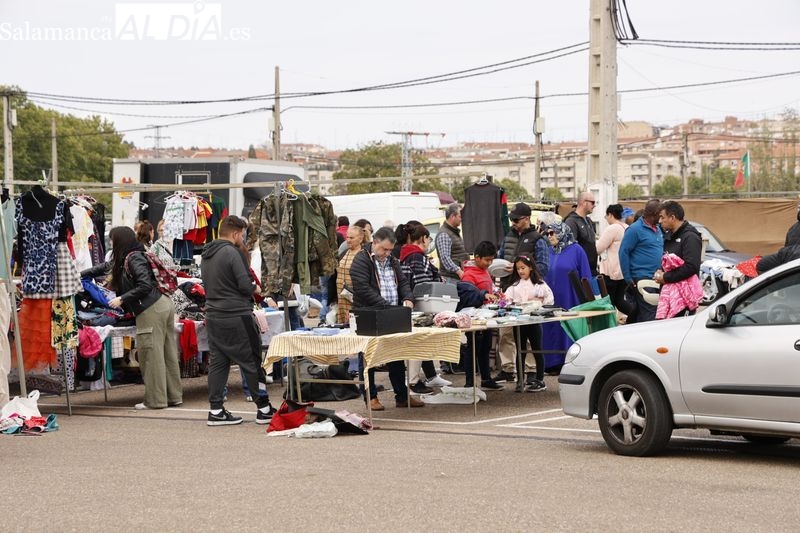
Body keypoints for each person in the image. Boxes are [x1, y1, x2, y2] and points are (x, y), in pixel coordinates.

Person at [88, 226, 182, 410]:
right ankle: (173, 396)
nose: (111, 244)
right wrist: (79, 275)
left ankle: (155, 401)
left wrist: (122, 299)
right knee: (167, 353)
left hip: (151, 308)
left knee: (150, 355)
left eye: (113, 240)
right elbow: (104, 267)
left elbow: (144, 285)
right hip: (161, 304)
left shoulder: (132, 258)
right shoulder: (131, 256)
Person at [201, 215, 276, 426]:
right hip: (237, 315)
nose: (242, 238)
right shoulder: (231, 252)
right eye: (242, 235)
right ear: (235, 233)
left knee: (218, 363)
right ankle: (264, 408)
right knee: (251, 362)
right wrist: (256, 288)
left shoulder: (207, 254)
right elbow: (244, 285)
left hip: (213, 315)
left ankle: (216, 410)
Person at [349, 226, 424, 410]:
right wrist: (385, 305)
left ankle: (402, 395)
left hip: (391, 313)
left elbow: (403, 282)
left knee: (396, 355)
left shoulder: (392, 260)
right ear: (374, 242)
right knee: (368, 357)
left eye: (390, 250)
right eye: (384, 249)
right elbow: (362, 288)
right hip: (368, 314)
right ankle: (370, 396)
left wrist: (408, 298)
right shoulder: (361, 260)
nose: (387, 253)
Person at [494, 202, 550, 383]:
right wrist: (503, 270)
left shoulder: (538, 239)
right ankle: (507, 368)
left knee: (529, 336)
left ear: (527, 219)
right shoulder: (508, 237)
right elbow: (500, 258)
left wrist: (522, 270)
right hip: (508, 290)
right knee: (505, 332)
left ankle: (531, 370)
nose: (513, 223)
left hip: (529, 296)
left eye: (516, 220)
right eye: (512, 220)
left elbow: (544, 267)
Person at [398, 224, 452, 392]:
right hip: (420, 306)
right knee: (419, 342)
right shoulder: (417, 256)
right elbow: (422, 284)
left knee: (421, 341)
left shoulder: (406, 255)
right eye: (429, 239)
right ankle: (413, 381)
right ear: (423, 238)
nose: (429, 242)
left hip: (410, 304)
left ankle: (429, 376)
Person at [541, 222, 592, 373]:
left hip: (570, 298)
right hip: (550, 299)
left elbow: (586, 277)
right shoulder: (548, 251)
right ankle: (551, 363)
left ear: (562, 232)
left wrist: (588, 299)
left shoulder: (577, 250)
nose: (549, 236)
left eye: (552, 233)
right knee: (551, 328)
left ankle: (569, 361)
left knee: (567, 328)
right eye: (547, 234)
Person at [503, 255, 554, 392]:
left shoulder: (539, 284)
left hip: (534, 321)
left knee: (537, 349)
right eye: (518, 268)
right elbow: (506, 300)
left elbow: (549, 299)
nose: (520, 271)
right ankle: (520, 380)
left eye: (523, 268)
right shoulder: (514, 286)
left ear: (530, 267)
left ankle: (540, 379)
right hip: (519, 322)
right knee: (520, 350)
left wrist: (540, 304)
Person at [460, 241, 504, 390]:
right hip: (473, 318)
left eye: (491, 260)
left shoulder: (484, 270)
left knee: (485, 347)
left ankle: (486, 379)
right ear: (477, 257)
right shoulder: (468, 275)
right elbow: (467, 297)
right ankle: (469, 383)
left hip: (487, 316)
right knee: (472, 349)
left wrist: (496, 294)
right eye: (487, 260)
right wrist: (484, 296)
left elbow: (489, 288)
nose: (489, 263)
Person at [654, 200, 703, 318]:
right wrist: (661, 273)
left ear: (672, 217)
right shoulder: (669, 236)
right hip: (669, 296)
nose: (659, 221)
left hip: (685, 298)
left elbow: (691, 267)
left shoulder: (690, 237)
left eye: (662, 217)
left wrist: (666, 277)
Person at [619, 199, 664, 324]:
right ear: (653, 214)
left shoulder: (658, 229)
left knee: (646, 314)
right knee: (650, 316)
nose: (661, 219)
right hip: (642, 278)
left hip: (657, 278)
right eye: (660, 216)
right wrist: (627, 277)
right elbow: (623, 252)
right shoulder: (634, 229)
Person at [596, 204, 628, 312]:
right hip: (623, 271)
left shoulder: (612, 228)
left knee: (609, 302)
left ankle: (634, 316)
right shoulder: (626, 227)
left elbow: (598, 248)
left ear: (610, 215)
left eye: (606, 216)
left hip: (612, 272)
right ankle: (635, 317)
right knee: (619, 301)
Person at [336, 225, 367, 325]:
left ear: (360, 239)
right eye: (347, 237)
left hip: (355, 301)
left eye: (352, 238)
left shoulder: (364, 255)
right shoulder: (344, 253)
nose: (348, 240)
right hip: (341, 300)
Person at [564, 191, 599, 276]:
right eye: (592, 202)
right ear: (584, 202)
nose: (594, 205)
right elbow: (570, 248)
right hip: (580, 272)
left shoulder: (589, 221)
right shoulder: (571, 221)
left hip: (591, 270)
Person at [435, 203, 469, 284]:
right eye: (460, 216)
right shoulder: (444, 234)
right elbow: (445, 258)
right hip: (451, 279)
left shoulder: (452, 232)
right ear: (452, 216)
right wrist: (459, 271)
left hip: (455, 278)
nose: (462, 219)